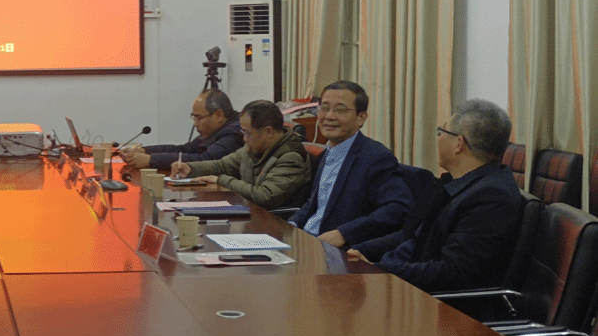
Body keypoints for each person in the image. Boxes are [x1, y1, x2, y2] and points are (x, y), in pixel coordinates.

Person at [347, 99, 522, 292]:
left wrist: (377, 271)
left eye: (442, 132)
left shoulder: (491, 198)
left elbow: (451, 273)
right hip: (400, 279)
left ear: (458, 143)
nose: (438, 139)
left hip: (427, 300)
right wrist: (357, 251)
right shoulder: (458, 183)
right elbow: (411, 236)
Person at [288, 81, 412, 248]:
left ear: (361, 118)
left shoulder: (375, 157)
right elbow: (315, 203)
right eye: (324, 108)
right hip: (307, 242)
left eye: (340, 110)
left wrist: (344, 233)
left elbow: (398, 208)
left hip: (338, 251)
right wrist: (292, 225)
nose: (329, 116)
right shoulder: (326, 153)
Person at [170, 100, 312, 210]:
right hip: (250, 215)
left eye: (247, 133)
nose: (244, 139)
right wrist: (190, 168)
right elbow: (222, 165)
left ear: (268, 131)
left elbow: (265, 196)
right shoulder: (254, 147)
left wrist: (221, 180)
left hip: (274, 224)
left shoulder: (290, 157)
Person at [120, 88, 242, 170]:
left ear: (219, 115)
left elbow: (205, 160)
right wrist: (145, 151)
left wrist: (151, 160)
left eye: (199, 118)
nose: (195, 124)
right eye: (194, 117)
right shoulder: (215, 130)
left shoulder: (234, 134)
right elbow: (185, 149)